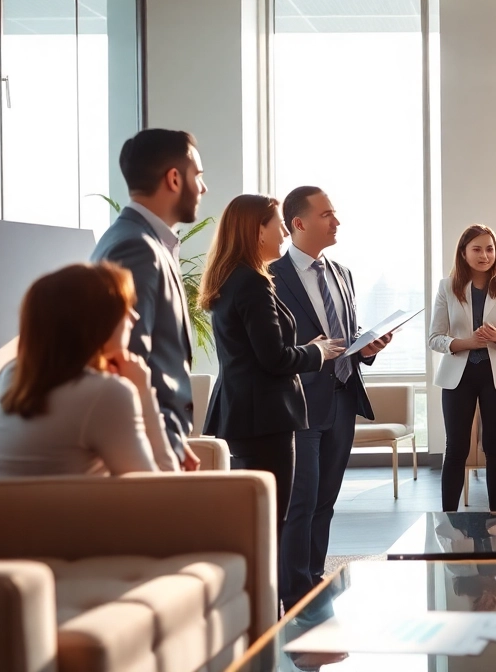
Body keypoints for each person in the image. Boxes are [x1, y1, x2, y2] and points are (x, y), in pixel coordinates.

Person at [271, 186, 393, 608]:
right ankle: (293, 591)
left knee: (326, 499)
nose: (336, 222)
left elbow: (347, 335)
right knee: (300, 501)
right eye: (327, 215)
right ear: (298, 224)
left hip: (343, 397)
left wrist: (368, 347)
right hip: (299, 404)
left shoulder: (343, 273)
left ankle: (315, 578)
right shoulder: (271, 276)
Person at [200, 194, 343, 555]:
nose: (283, 231)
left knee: (261, 517)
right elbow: (274, 359)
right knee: (273, 520)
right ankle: (275, 606)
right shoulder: (253, 282)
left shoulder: (232, 278)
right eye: (276, 224)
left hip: (245, 412)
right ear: (256, 231)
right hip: (265, 416)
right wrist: (318, 352)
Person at [0, 262, 177, 477]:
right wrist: (143, 392)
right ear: (97, 321)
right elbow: (161, 493)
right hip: (63, 512)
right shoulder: (106, 393)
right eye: (124, 308)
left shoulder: (14, 376)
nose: (134, 318)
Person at [91, 129, 207, 471]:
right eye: (198, 176)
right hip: (142, 451)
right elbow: (126, 361)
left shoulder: (141, 241)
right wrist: (162, 444)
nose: (203, 187)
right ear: (174, 178)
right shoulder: (137, 248)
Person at [429, 224, 496, 512]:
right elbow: (435, 338)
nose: (484, 255)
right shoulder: (447, 287)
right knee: (456, 449)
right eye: (477, 249)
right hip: (458, 376)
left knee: (495, 448)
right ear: (463, 252)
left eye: (489, 248)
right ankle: (448, 517)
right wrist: (466, 342)